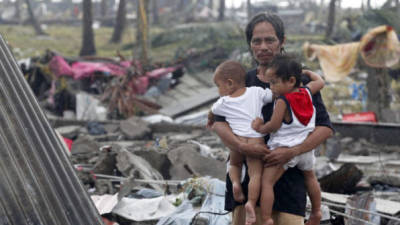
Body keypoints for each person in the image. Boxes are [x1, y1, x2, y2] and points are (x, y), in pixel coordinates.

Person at [208, 12, 333, 225]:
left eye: (270, 40)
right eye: (257, 41)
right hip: (247, 191)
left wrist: (292, 152)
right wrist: (243, 147)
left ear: (282, 41)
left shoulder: (297, 82)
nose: (263, 46)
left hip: (289, 187)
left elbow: (324, 128)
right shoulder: (241, 81)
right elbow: (218, 123)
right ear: (250, 44)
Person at [250, 54, 324, 225]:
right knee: (311, 178)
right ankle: (317, 211)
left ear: (290, 81)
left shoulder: (283, 101)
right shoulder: (307, 91)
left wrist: (260, 127)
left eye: (274, 82)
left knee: (267, 182)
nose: (271, 87)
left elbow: (274, 125)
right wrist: (308, 73)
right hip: (305, 149)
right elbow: (320, 82)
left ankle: (267, 218)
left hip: (284, 149)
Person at [210, 60, 273, 211]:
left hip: (237, 140)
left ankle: (236, 184)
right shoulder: (256, 91)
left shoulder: (223, 102)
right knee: (256, 174)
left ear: (230, 83)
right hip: (255, 139)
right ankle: (251, 202)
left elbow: (213, 112)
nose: (218, 90)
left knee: (234, 164)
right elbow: (273, 95)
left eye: (219, 86)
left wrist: (209, 116)